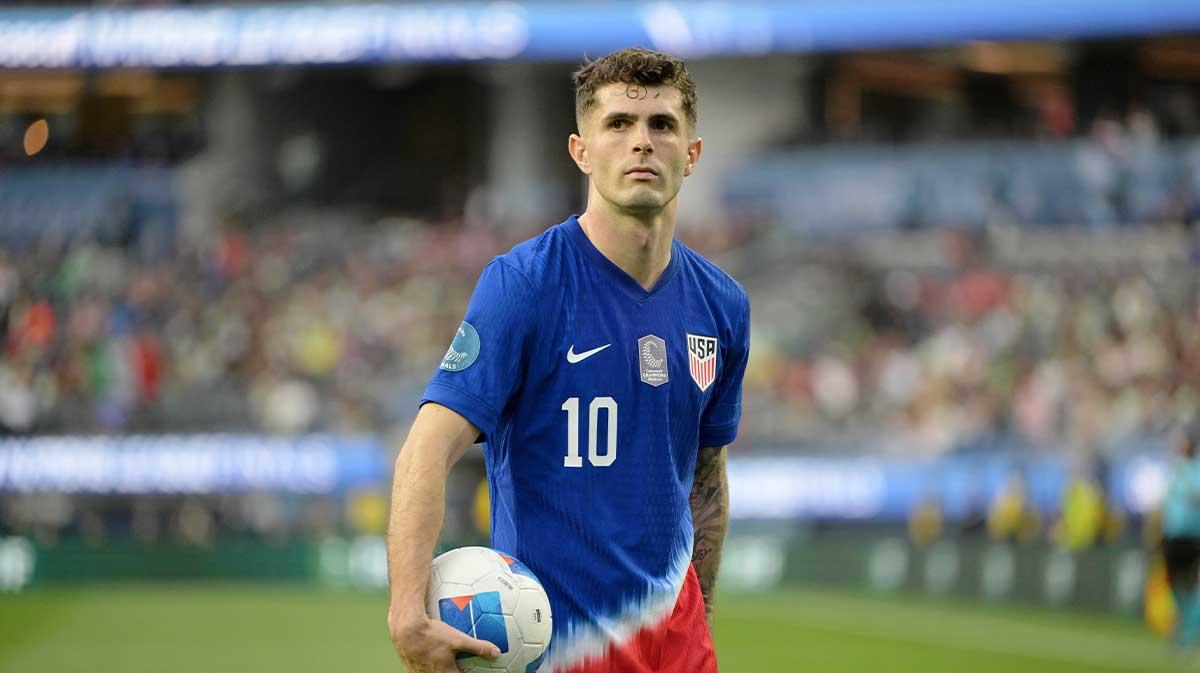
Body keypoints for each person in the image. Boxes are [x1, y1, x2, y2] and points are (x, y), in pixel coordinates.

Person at [386, 47, 750, 673]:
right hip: (560, 653)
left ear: (691, 155)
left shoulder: (722, 305)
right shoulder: (524, 284)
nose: (642, 142)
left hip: (681, 651)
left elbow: (706, 476)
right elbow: (428, 447)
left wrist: (703, 615)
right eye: (618, 124)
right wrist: (404, 612)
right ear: (581, 151)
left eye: (661, 125)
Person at [1162, 420, 1200, 651]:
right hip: (1173, 533)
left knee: (1192, 582)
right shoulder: (1176, 469)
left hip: (1192, 534)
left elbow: (1195, 499)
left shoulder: (1195, 470)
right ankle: (1185, 623)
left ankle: (1189, 630)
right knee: (1174, 582)